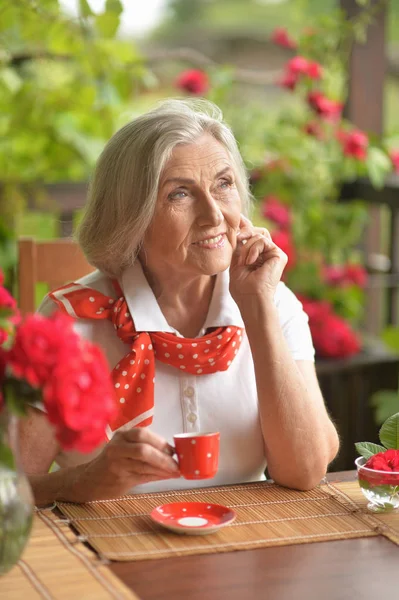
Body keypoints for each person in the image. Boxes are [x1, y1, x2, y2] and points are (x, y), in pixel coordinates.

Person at [20, 99, 339, 504]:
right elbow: (6, 492)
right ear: (130, 217)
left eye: (223, 184)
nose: (213, 215)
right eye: (180, 194)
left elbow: (305, 471)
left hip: (246, 551)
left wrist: (258, 309)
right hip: (108, 558)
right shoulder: (73, 322)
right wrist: (79, 482)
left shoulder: (273, 302)